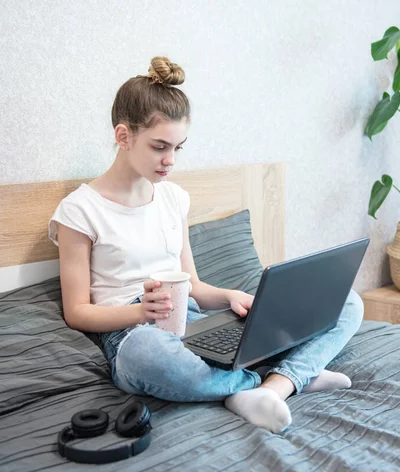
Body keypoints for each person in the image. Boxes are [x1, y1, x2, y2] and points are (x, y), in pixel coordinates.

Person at [48, 57, 364, 433]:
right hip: (132, 334)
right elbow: (77, 313)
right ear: (123, 136)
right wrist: (140, 313)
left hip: (194, 321)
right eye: (159, 146)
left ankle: (277, 385)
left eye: (178, 148)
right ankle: (280, 379)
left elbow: (193, 286)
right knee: (149, 356)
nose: (170, 161)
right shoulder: (79, 211)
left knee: (347, 301)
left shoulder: (173, 198)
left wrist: (230, 296)